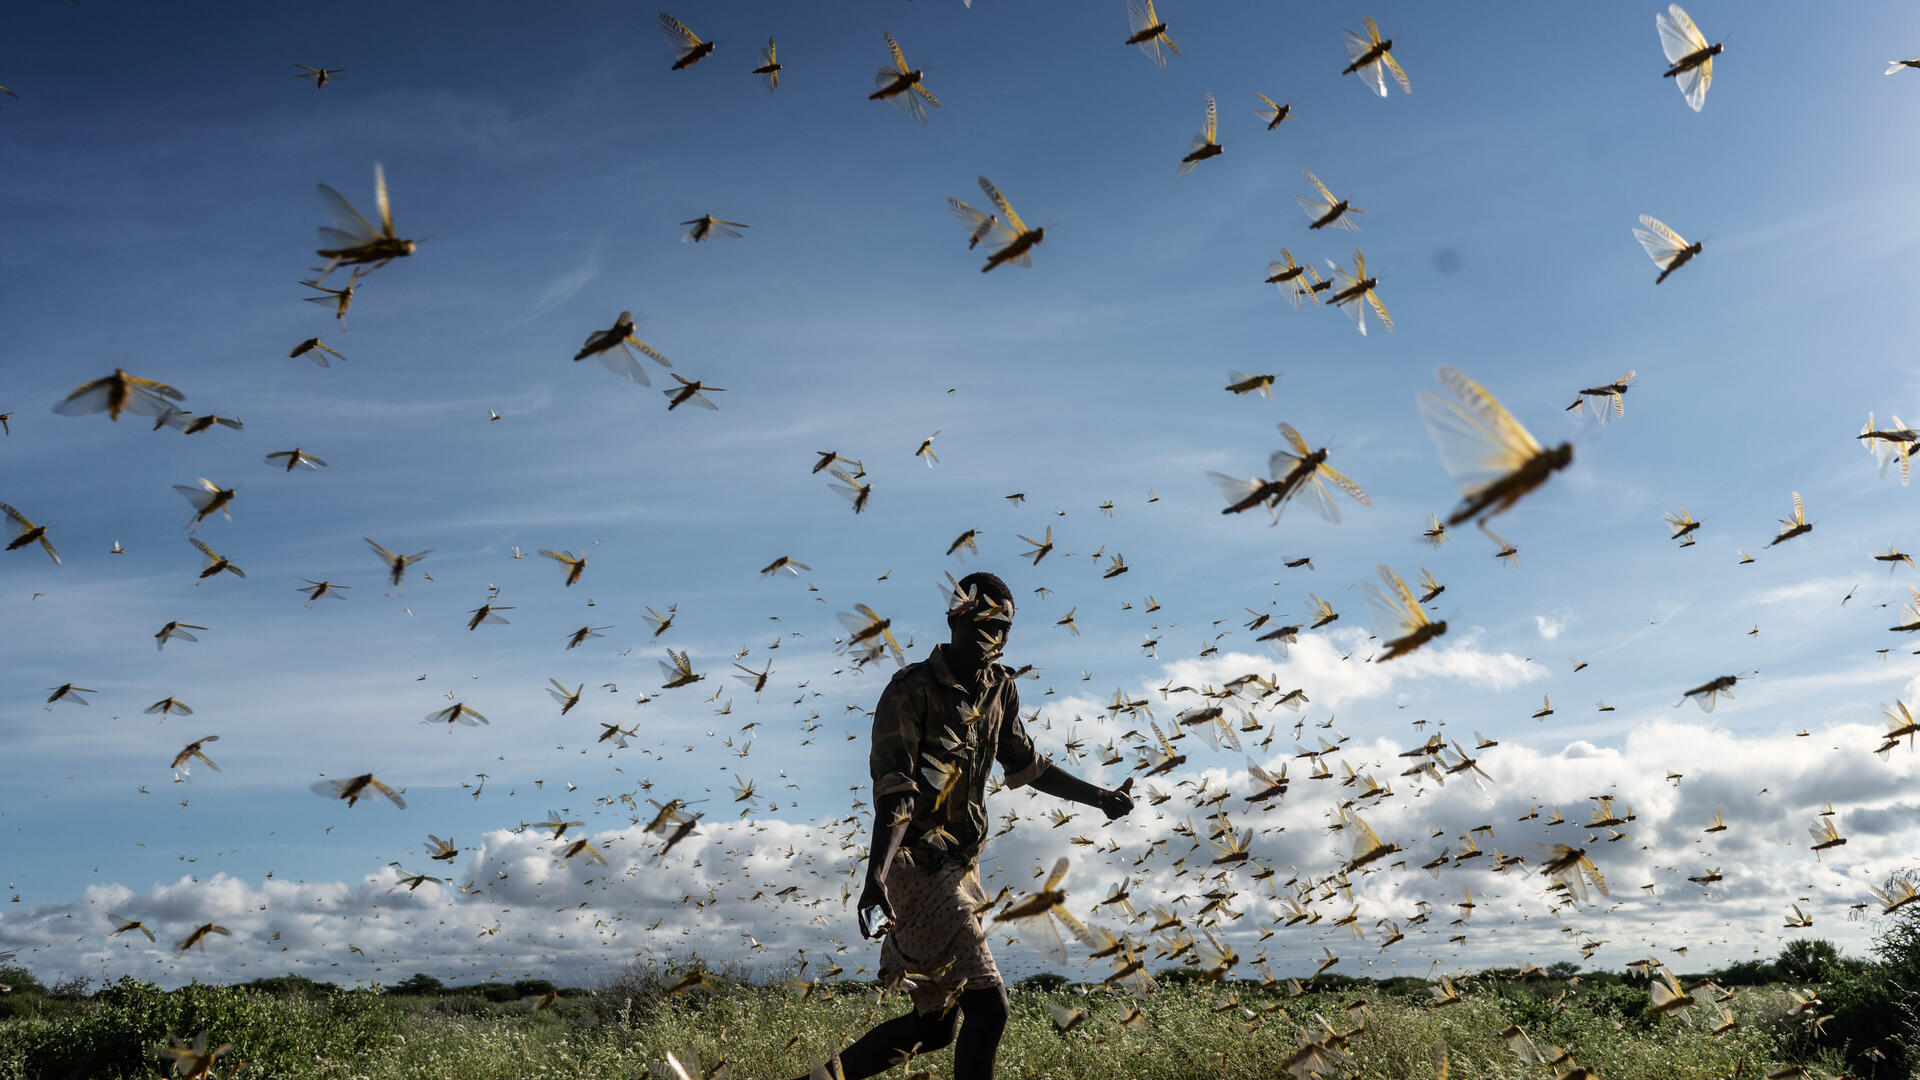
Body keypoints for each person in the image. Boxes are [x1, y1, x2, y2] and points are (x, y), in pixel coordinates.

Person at [788, 571, 1134, 1080]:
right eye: (983, 624)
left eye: (1004, 629)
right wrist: (876, 877)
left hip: (961, 869)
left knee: (935, 1029)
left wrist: (1099, 797)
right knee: (991, 1008)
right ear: (955, 618)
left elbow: (1028, 765)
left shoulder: (1000, 689)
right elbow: (897, 792)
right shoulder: (910, 692)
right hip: (913, 867)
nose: (994, 638)